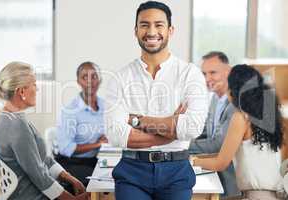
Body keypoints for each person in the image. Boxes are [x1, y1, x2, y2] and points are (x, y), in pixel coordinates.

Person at [105, 1, 208, 200]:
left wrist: (137, 121)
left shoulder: (190, 74)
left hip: (176, 172)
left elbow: (192, 128)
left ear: (170, 30)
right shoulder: (120, 78)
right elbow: (116, 135)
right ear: (136, 31)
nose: (151, 31)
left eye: (159, 25)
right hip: (132, 171)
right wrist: (172, 130)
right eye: (144, 25)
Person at [0, 61, 89, 200]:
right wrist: (70, 199)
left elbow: (43, 159)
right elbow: (38, 174)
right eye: (34, 84)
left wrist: (70, 179)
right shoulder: (17, 126)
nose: (37, 89)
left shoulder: (7, 118)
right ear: (21, 91)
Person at [192, 64, 284, 200]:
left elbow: (220, 163)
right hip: (272, 195)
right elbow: (225, 155)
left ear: (235, 90)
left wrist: (192, 161)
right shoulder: (267, 115)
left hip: (255, 196)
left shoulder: (241, 117)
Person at [188, 51, 240, 198]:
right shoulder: (215, 98)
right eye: (204, 74)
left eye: (213, 73)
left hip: (231, 183)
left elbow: (218, 144)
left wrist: (183, 147)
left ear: (228, 71)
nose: (207, 78)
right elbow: (205, 132)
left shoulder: (236, 104)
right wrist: (177, 137)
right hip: (214, 175)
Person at [56, 61, 107, 186]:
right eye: (85, 77)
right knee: (104, 182)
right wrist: (97, 144)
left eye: (94, 76)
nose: (90, 81)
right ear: (78, 81)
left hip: (96, 160)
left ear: (100, 79)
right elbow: (65, 148)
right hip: (72, 163)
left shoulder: (106, 106)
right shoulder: (70, 111)